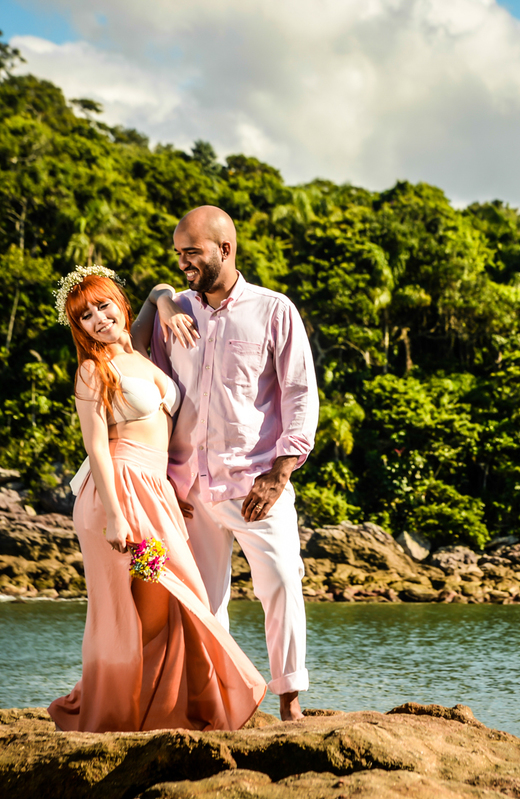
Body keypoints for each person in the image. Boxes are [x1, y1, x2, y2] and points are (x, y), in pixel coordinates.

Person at [47, 266, 266, 733]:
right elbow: (96, 448)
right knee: (139, 608)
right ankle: (114, 707)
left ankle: (158, 710)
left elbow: (158, 290)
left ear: (119, 305)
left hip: (155, 491)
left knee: (171, 602)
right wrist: (118, 517)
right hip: (118, 495)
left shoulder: (141, 350)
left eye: (104, 305)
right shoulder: (93, 370)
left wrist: (166, 304)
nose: (99, 318)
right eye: (85, 316)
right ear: (79, 328)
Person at [141, 206, 319, 721]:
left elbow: (300, 395)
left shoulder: (274, 310)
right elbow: (140, 366)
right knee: (202, 600)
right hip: (190, 487)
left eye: (191, 252)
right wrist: (160, 298)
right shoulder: (176, 310)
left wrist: (280, 473)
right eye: (177, 255)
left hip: (257, 480)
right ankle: (216, 703)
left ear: (225, 249)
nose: (183, 263)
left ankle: (290, 704)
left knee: (282, 581)